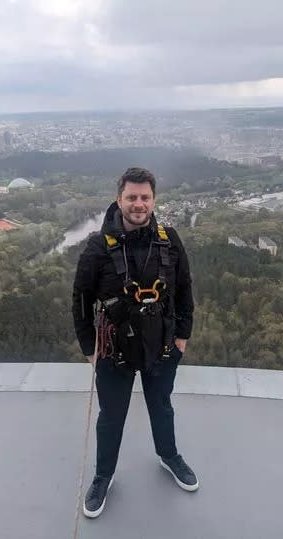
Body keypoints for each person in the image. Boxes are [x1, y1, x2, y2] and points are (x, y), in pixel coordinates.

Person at [72, 167, 197, 518]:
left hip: (163, 346)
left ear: (153, 200)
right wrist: (89, 350)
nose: (138, 204)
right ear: (119, 200)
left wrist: (183, 337)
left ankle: (169, 455)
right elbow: (80, 300)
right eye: (132, 197)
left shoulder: (169, 241)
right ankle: (103, 476)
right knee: (111, 416)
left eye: (144, 197)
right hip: (113, 352)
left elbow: (185, 290)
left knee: (162, 406)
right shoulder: (98, 248)